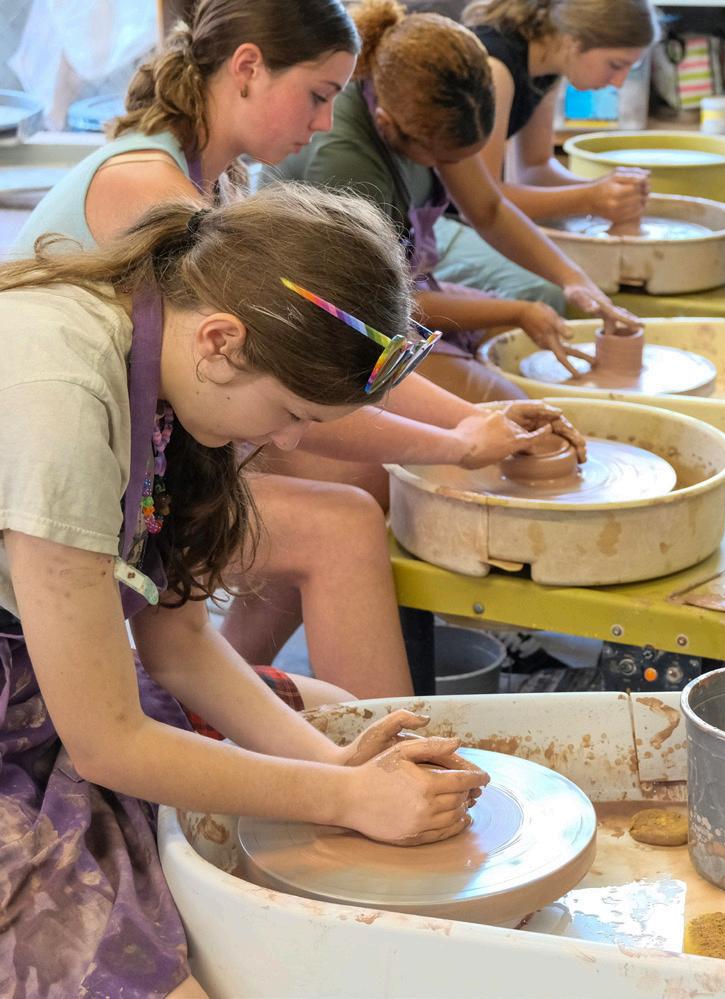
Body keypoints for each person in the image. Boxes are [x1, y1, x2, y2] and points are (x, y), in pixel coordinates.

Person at [0, 184, 490, 999]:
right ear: (222, 339)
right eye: (292, 412)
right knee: (143, 960)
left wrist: (334, 763)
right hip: (43, 716)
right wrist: (345, 796)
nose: (289, 439)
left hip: (42, 685)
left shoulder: (174, 365)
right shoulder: (62, 397)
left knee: (329, 711)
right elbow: (106, 744)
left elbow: (182, 645)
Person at [12, 0, 579, 675]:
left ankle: (225, 688)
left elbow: (340, 354)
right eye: (318, 95)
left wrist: (475, 418)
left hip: (139, 443)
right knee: (343, 526)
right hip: (60, 475)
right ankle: (334, 730)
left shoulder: (211, 175)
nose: (323, 122)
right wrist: (458, 444)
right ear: (247, 68)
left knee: (356, 479)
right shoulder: (152, 188)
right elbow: (298, 383)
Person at [272, 0, 641, 407]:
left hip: (395, 285)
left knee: (519, 345)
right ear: (386, 126)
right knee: (507, 403)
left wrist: (574, 278)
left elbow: (489, 210)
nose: (454, 168)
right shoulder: (348, 159)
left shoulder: (439, 107)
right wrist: (518, 310)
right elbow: (376, 304)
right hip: (326, 319)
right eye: (444, 161)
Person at [458, 0, 660, 226]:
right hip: (435, 217)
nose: (619, 83)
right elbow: (479, 203)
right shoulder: (494, 69)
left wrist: (609, 191)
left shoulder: (547, 63)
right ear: (574, 42)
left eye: (630, 67)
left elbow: (535, 170)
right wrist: (591, 198)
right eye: (615, 65)